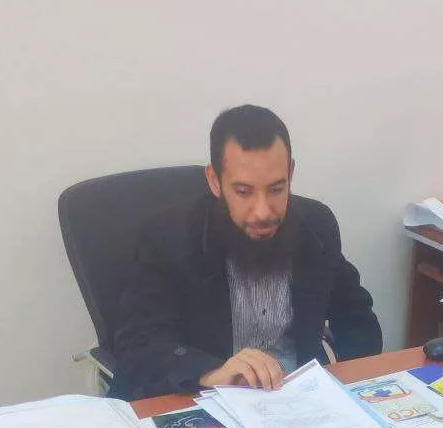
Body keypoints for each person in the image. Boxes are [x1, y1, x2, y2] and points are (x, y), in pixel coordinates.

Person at [112, 105, 382, 398]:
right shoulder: (168, 238)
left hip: (298, 398)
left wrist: (347, 387)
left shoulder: (316, 226)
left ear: (290, 173)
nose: (263, 211)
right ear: (215, 181)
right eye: (244, 192)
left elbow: (357, 319)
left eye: (276, 189)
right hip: (206, 399)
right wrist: (211, 372)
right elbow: (139, 346)